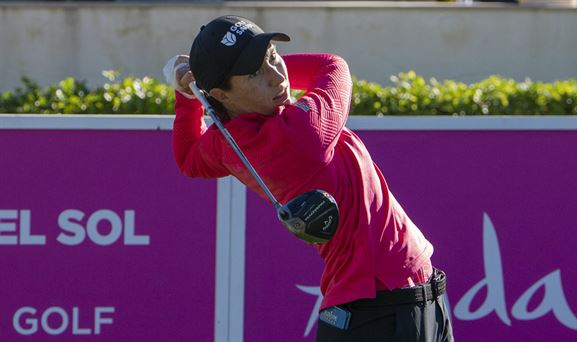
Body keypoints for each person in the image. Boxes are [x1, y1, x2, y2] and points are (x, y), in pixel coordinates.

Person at [165, 15, 454, 342]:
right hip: (382, 309)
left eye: (273, 57)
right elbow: (333, 67)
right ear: (224, 94)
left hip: (398, 300)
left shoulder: (227, 141)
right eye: (257, 72)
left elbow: (188, 157)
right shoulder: (301, 135)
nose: (277, 76)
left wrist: (188, 98)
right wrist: (199, 89)